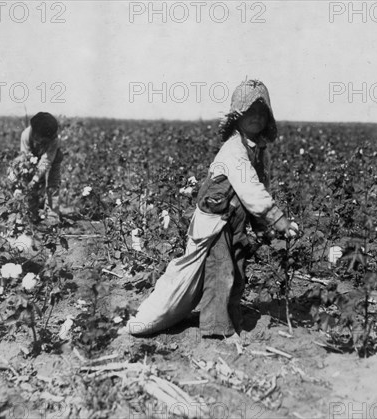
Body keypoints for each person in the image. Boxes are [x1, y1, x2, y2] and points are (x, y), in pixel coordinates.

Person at [122, 80, 298, 340]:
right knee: (221, 273)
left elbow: (262, 185)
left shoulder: (257, 150)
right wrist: (277, 219)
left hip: (233, 222)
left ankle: (229, 317)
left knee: (236, 271)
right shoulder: (234, 151)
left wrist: (264, 225)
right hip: (215, 224)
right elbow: (250, 190)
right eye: (250, 112)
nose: (256, 118)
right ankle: (216, 330)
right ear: (237, 116)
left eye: (262, 113)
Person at [17, 112, 63, 223]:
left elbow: (46, 161)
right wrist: (31, 180)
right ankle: (30, 213)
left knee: (53, 185)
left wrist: (36, 178)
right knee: (28, 183)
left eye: (45, 140)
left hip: (52, 158)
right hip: (31, 159)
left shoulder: (54, 139)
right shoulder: (26, 135)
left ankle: (52, 216)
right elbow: (25, 158)